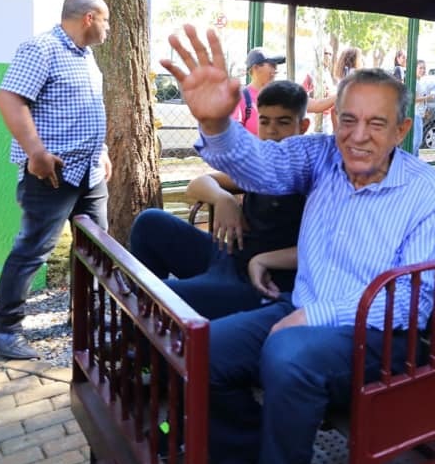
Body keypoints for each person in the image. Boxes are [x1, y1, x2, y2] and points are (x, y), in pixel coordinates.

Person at [161, 25, 435, 464]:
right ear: (334, 120)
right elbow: (260, 166)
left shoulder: (425, 189)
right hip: (301, 307)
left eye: (377, 123)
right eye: (349, 120)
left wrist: (315, 315)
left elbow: (411, 301)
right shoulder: (321, 156)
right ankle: (248, 454)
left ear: (401, 130)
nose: (358, 136)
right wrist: (217, 123)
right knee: (202, 351)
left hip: (378, 335)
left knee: (287, 356)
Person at [0, 0, 112, 360]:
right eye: (106, 19)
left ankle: (86, 317)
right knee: (33, 251)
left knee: (95, 250)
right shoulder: (41, 49)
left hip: (89, 174)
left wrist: (101, 149)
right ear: (89, 17)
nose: (109, 28)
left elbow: (90, 108)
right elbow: (8, 98)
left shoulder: (86, 56)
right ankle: (4, 329)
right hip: (53, 176)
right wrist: (36, 153)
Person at [128, 80, 310, 320]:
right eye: (265, 121)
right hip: (227, 256)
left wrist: (263, 260)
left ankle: (146, 324)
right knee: (149, 223)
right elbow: (198, 183)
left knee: (159, 295)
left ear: (303, 125)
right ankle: (149, 329)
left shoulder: (312, 176)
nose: (272, 131)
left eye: (283, 122)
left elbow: (322, 248)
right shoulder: (260, 165)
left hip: (259, 280)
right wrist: (223, 199)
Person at [234, 48, 285, 134]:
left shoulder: (279, 96)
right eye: (272, 65)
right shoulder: (240, 98)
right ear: (256, 68)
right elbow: (235, 137)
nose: (275, 70)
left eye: (276, 66)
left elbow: (305, 103)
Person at [411, 59, 434, 157]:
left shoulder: (420, 81)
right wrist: (428, 97)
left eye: (424, 68)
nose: (423, 70)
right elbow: (414, 99)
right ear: (415, 68)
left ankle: (414, 162)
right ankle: (411, 162)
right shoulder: (414, 82)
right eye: (420, 68)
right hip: (415, 114)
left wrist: (426, 108)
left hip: (420, 114)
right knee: (417, 141)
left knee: (417, 141)